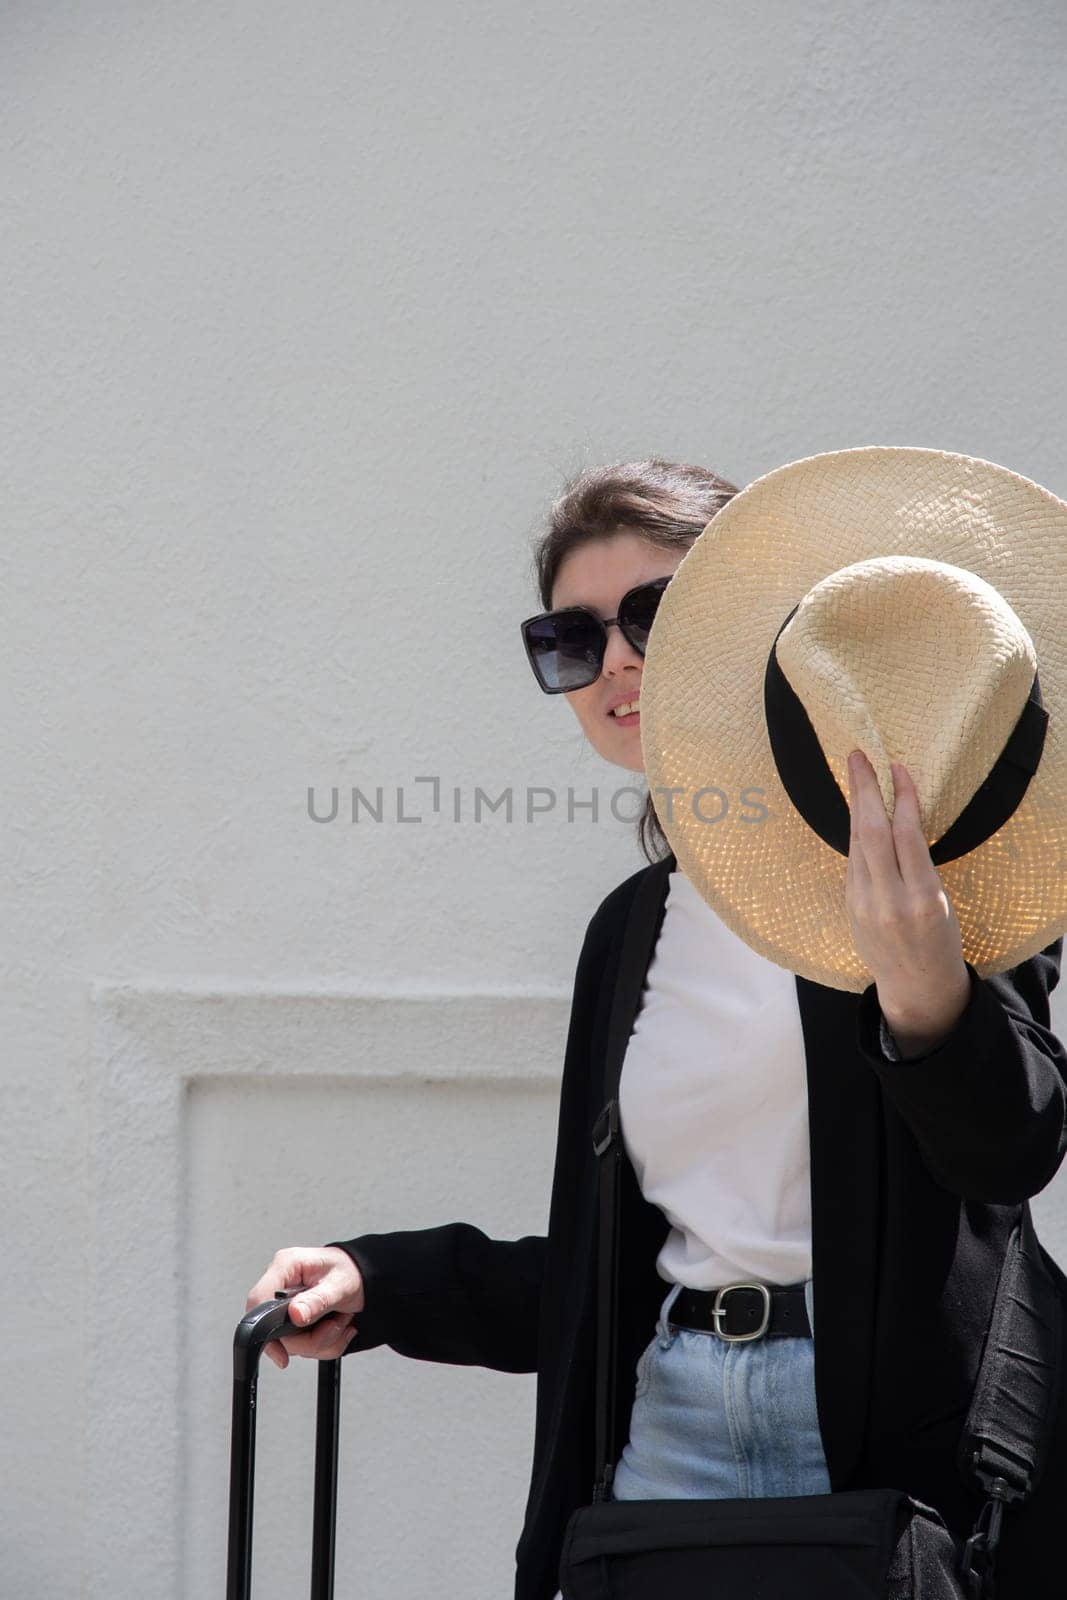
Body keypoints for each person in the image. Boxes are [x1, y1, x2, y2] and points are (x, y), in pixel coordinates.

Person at [245, 453, 1067, 1600]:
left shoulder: (933, 864)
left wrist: (924, 982)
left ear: (752, 631)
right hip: (667, 1424)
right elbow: (608, 1272)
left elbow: (1008, 1152)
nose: (617, 658)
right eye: (572, 639)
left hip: (892, 1465)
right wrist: (383, 1282)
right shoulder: (631, 930)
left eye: (655, 612)